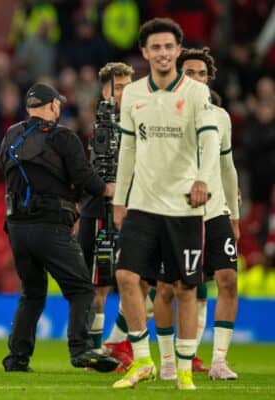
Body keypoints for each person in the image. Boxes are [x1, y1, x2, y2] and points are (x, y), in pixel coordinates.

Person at [111, 18, 220, 390]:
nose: (162, 53)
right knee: (126, 276)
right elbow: (127, 148)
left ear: (177, 50)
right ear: (144, 53)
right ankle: (143, 362)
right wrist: (120, 199)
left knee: (184, 288)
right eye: (155, 47)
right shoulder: (133, 94)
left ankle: (185, 370)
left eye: (168, 47)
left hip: (183, 206)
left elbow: (208, 140)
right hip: (142, 203)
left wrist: (203, 178)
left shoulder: (195, 93)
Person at [0, 82, 119, 373]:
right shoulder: (63, 136)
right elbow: (83, 175)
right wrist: (107, 189)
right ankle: (81, 349)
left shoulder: (11, 135)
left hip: (16, 227)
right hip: (50, 225)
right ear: (53, 106)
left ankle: (17, 358)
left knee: (32, 292)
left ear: (29, 109)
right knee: (81, 290)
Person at [153, 47, 240, 381]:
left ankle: (219, 361)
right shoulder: (162, 113)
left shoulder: (220, 117)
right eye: (190, 73)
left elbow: (227, 168)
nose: (197, 79)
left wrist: (234, 214)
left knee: (228, 280)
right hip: (173, 212)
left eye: (202, 74)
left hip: (215, 211)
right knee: (166, 289)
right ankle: (167, 362)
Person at [78, 62, 134, 357]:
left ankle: (116, 341)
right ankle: (95, 349)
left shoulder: (137, 120)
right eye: (118, 87)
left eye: (127, 86)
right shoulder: (100, 121)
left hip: (134, 209)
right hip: (98, 210)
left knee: (141, 280)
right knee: (98, 285)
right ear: (105, 91)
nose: (124, 92)